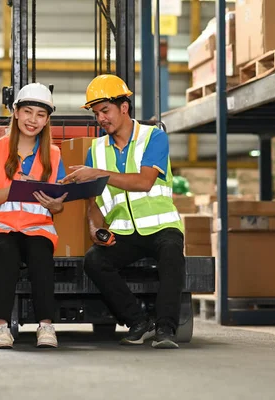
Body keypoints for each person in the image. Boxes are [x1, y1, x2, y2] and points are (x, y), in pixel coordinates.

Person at [61, 74, 186, 349]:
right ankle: (138, 322)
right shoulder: (97, 149)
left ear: (124, 108)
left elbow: (144, 182)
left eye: (105, 111)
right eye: (96, 113)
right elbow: (93, 203)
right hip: (123, 232)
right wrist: (96, 229)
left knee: (171, 253)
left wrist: (98, 173)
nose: (101, 119)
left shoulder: (154, 137)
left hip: (162, 227)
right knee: (94, 261)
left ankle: (165, 328)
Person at [0, 82, 68, 349]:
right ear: (16, 112)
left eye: (40, 115)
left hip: (37, 228)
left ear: (47, 120)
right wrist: (21, 187)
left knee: (41, 257)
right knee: (7, 255)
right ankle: (1, 327)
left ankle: (46, 326)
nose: (33, 120)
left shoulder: (53, 154)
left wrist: (55, 204)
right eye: (28, 112)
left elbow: (58, 205)